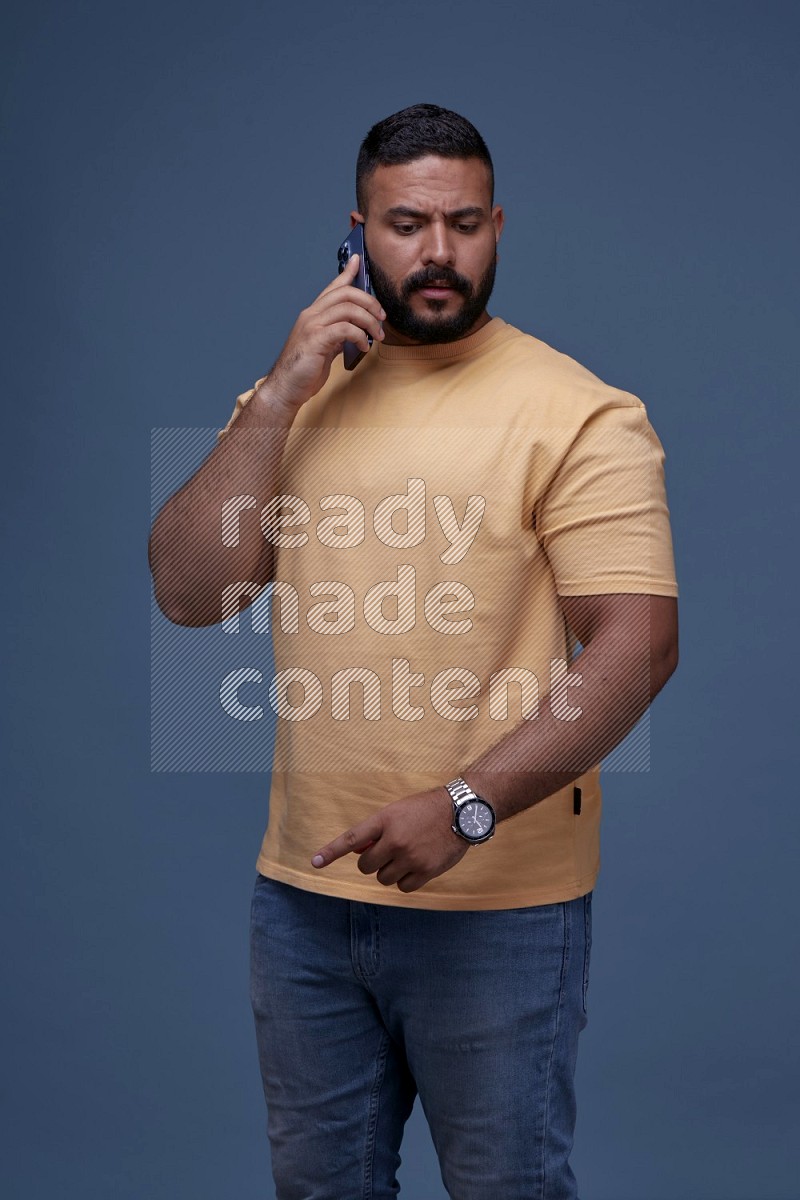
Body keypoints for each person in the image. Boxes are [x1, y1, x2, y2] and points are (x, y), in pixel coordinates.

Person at [149, 103, 679, 1200]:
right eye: (404, 224)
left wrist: (466, 806)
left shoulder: (577, 414)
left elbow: (636, 647)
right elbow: (192, 593)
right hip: (301, 900)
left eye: (463, 223)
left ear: (497, 229)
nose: (436, 252)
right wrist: (280, 393)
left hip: (498, 908)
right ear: (355, 233)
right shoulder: (294, 399)